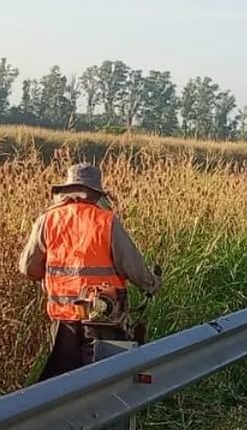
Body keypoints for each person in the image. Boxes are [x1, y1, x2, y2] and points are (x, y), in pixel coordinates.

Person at [18, 163, 161, 381]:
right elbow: (133, 267)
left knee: (62, 385)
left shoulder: (47, 220)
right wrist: (152, 284)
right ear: (95, 193)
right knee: (102, 384)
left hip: (63, 320)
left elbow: (28, 268)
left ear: (66, 190)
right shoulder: (106, 221)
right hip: (102, 320)